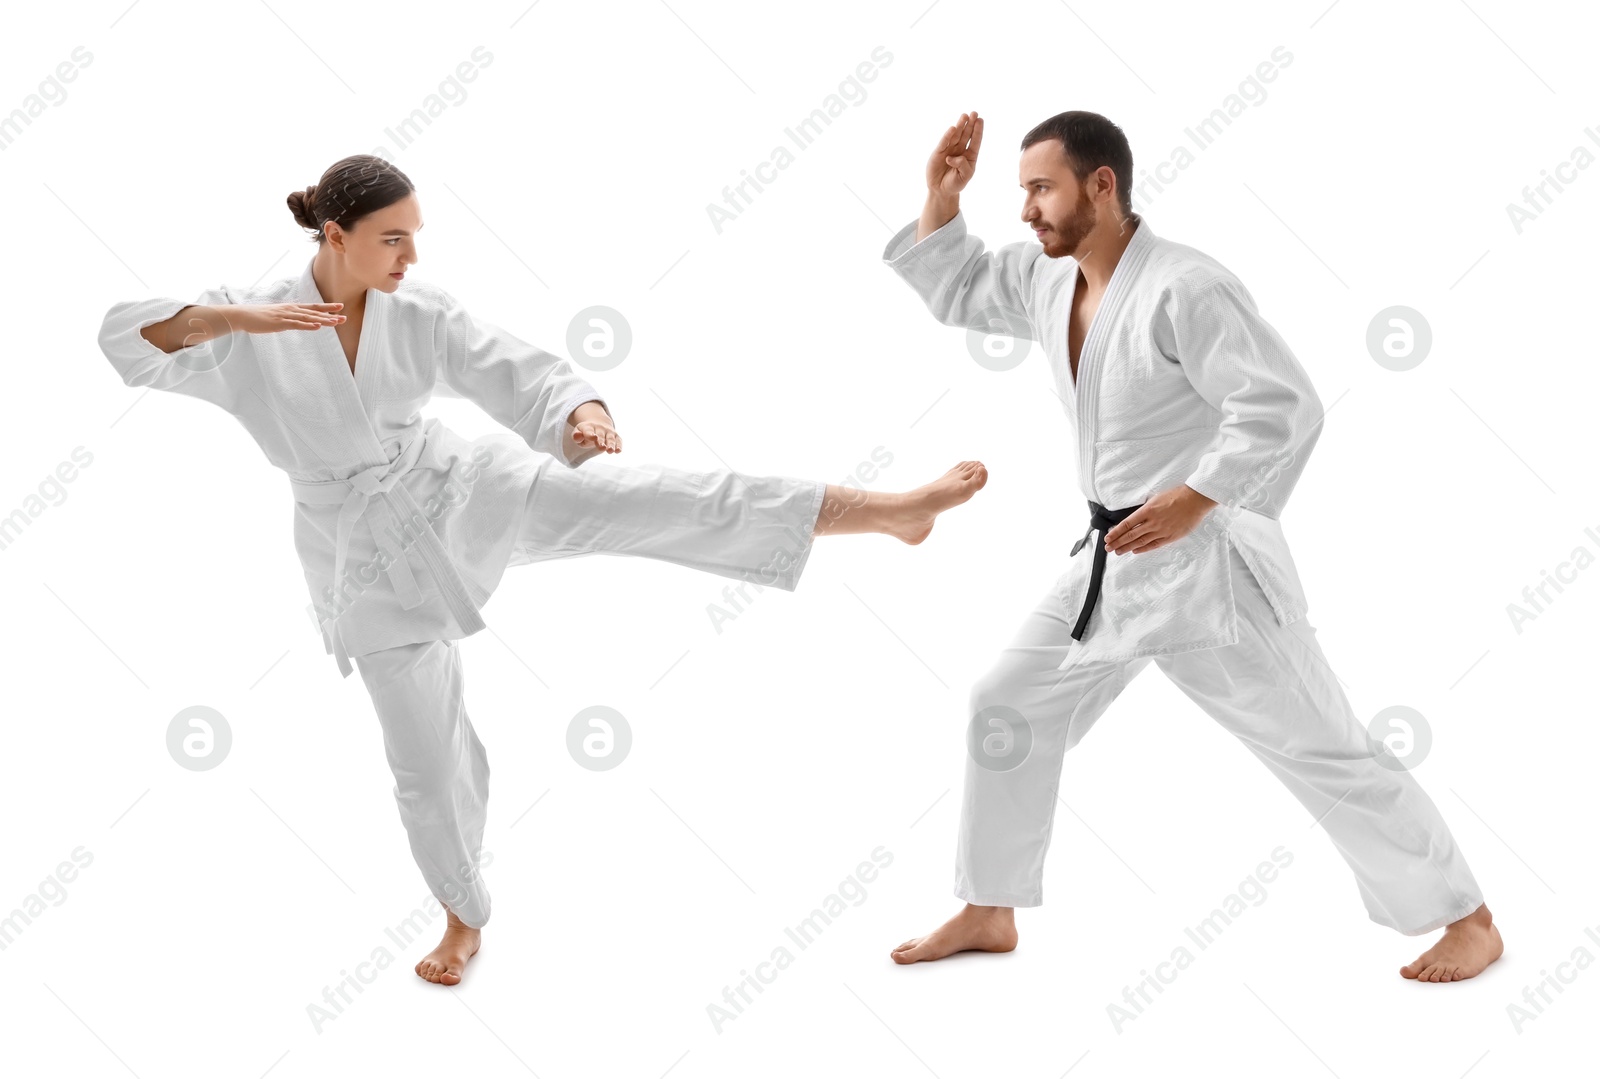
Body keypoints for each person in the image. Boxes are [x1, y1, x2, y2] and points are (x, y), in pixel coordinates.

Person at [97, 154, 989, 986]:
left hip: (456, 489)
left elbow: (525, 374)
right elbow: (124, 344)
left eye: (414, 234)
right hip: (361, 560)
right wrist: (236, 319)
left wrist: (582, 414)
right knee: (424, 757)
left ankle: (887, 511)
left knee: (651, 495)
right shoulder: (252, 323)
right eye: (391, 238)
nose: (410, 255)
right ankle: (462, 912)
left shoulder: (420, 311)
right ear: (334, 237)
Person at [879, 111, 1502, 982]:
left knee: (1319, 743)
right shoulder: (1049, 278)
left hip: (1210, 570)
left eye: (1041, 188)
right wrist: (940, 199)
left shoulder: (1186, 287)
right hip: (1113, 557)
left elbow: (1283, 405)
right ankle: (990, 906)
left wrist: (1200, 498)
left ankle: (1463, 916)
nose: (1026, 210)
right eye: (1021, 190)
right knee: (1006, 701)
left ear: (1103, 185)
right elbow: (964, 285)